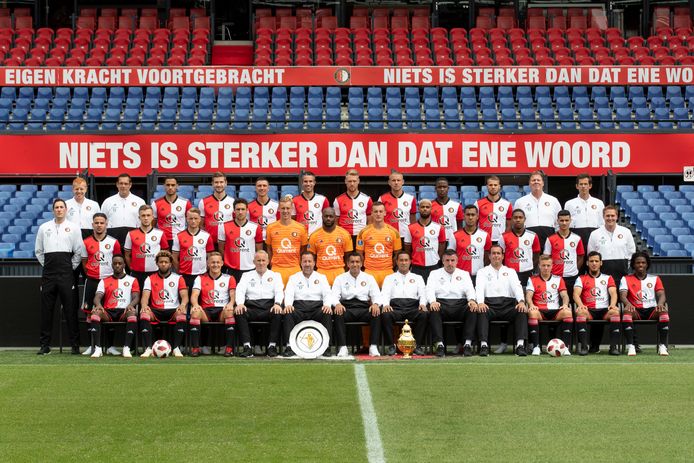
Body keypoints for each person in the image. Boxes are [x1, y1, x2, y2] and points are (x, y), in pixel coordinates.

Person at [35, 198, 83, 355]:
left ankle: (75, 345)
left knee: (70, 310)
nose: (59, 209)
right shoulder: (44, 228)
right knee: (46, 311)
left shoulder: (74, 228)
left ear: (66, 209)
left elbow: (78, 251)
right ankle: (45, 346)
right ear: (53, 210)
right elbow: (39, 251)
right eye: (56, 207)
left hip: (66, 274)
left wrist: (70, 267)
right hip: (48, 275)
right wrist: (48, 266)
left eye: (62, 207)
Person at [586, 205, 635, 353]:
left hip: (621, 277)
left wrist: (624, 268)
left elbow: (631, 252)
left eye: (613, 215)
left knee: (626, 310)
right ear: (603, 217)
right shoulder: (595, 234)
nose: (610, 218)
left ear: (617, 216)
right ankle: (594, 345)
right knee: (599, 309)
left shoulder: (625, 232)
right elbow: (591, 254)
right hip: (601, 279)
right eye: (607, 215)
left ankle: (632, 344)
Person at [473, 244, 529, 357]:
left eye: (498, 253)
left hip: (508, 306)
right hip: (490, 306)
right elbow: (479, 288)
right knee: (482, 311)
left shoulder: (511, 271)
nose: (496, 256)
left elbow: (517, 287)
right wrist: (480, 302)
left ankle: (520, 346)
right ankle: (484, 346)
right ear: (489, 256)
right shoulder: (482, 271)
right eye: (493, 253)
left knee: (521, 310)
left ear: (503, 256)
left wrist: (521, 301)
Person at [79, 212, 122, 356]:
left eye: (102, 223)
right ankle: (91, 346)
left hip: (109, 282)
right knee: (89, 314)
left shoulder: (114, 242)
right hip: (92, 281)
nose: (99, 225)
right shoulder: (85, 242)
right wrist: (92, 274)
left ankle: (110, 346)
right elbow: (84, 263)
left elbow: (118, 261)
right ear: (92, 225)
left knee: (110, 312)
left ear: (106, 224)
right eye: (96, 223)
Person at [426, 250, 478, 357]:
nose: (450, 263)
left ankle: (467, 345)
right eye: (447, 260)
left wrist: (472, 300)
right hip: (441, 304)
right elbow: (429, 290)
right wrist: (432, 301)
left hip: (460, 304)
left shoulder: (464, 274)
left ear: (457, 261)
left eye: (452, 260)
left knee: (472, 309)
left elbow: (470, 289)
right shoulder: (434, 273)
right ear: (443, 261)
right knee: (434, 309)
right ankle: (440, 345)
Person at [283, 252, 335, 357]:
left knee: (327, 312)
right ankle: (290, 346)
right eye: (305, 261)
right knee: (288, 312)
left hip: (317, 308)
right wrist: (288, 304)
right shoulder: (293, 278)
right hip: (299, 308)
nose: (307, 264)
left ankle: (326, 347)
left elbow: (327, 293)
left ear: (314, 263)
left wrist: (327, 305)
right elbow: (288, 293)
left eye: (309, 261)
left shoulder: (321, 277)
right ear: (301, 263)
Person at [619, 251, 670, 356]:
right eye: (638, 263)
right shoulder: (626, 279)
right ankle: (631, 346)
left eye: (643, 262)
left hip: (651, 310)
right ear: (633, 265)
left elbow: (662, 295)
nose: (640, 265)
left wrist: (660, 304)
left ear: (647, 264)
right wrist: (628, 304)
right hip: (635, 310)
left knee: (663, 311)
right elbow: (623, 296)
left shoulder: (655, 278)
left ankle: (662, 346)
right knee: (627, 311)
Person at [234, 250, 285, 358]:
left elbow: (279, 291)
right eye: (258, 260)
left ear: (268, 261)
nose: (261, 263)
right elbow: (240, 290)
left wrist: (277, 303)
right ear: (254, 262)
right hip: (251, 307)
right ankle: (247, 347)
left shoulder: (276, 275)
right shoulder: (246, 275)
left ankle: (272, 347)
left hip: (269, 307)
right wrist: (240, 303)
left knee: (277, 312)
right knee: (239, 311)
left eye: (263, 260)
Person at [139, 250, 189, 358]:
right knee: (144, 314)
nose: (163, 264)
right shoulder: (149, 278)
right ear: (157, 263)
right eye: (161, 262)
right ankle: (149, 348)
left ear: (170, 264)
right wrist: (144, 306)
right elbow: (145, 296)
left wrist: (182, 305)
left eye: (166, 262)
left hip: (173, 310)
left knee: (181, 315)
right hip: (155, 310)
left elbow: (185, 296)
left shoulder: (178, 278)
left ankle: (176, 348)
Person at [332, 252, 382, 357]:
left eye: (357, 262)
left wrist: (376, 304)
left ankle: (373, 346)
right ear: (347, 264)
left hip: (364, 308)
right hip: (347, 308)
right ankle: (343, 347)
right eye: (352, 262)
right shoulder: (340, 278)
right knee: (337, 312)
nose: (355, 264)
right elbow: (333, 296)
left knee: (376, 312)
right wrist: (337, 304)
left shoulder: (369, 278)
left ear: (361, 263)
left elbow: (377, 295)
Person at [378, 251, 428, 356]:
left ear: (410, 262)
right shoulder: (389, 278)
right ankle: (391, 346)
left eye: (406, 260)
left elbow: (423, 293)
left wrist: (422, 304)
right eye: (401, 260)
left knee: (424, 314)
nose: (403, 263)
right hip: (395, 307)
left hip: (413, 307)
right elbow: (385, 293)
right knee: (385, 314)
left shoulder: (418, 277)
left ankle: (417, 346)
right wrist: (386, 305)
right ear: (396, 262)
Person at [89, 255, 140, 358]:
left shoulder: (132, 280)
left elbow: (136, 297)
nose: (117, 265)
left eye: (120, 263)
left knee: (132, 313)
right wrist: (98, 305)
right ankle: (98, 349)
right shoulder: (104, 281)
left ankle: (126, 348)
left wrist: (131, 305)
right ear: (112, 265)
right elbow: (97, 297)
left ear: (124, 265)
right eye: (115, 263)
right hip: (109, 312)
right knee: (95, 314)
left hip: (124, 311)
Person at [573, 251, 621, 356]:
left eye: (596, 261)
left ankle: (613, 347)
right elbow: (576, 294)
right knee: (580, 313)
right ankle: (584, 347)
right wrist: (581, 305)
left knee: (615, 312)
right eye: (591, 261)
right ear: (587, 263)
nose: (594, 263)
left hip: (604, 310)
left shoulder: (608, 278)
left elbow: (613, 293)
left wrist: (613, 304)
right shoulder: (581, 278)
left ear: (601, 263)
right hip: (588, 310)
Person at [190, 252, 236, 357]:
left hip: (222, 310)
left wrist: (231, 303)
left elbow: (233, 295)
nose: (215, 265)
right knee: (195, 312)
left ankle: (229, 348)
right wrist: (195, 304)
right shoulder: (200, 278)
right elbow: (194, 295)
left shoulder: (229, 278)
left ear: (222, 263)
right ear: (208, 263)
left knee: (229, 311)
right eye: (213, 262)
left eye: (218, 262)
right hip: (206, 311)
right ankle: (196, 348)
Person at [526, 255, 572, 356]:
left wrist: (565, 304)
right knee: (532, 312)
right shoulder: (532, 279)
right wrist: (531, 304)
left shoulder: (558, 279)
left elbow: (565, 295)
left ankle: (565, 347)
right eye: (543, 265)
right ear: (539, 266)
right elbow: (529, 295)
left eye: (548, 265)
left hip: (555, 311)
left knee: (567, 312)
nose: (546, 268)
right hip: (540, 311)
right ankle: (536, 347)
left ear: (552, 266)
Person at [265, 196, 309, 286]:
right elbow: (269, 248)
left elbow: (303, 249)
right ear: (279, 209)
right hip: (276, 269)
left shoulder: (301, 228)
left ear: (292, 209)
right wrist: (271, 264)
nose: (285, 211)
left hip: (295, 268)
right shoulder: (270, 227)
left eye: (288, 208)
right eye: (283, 208)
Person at [356, 201, 401, 287]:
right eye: (375, 211)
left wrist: (388, 265)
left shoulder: (394, 232)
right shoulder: (363, 232)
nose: (378, 214)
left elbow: (397, 254)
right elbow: (359, 254)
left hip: (388, 272)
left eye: (380, 211)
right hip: (369, 272)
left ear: (385, 213)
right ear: (371, 213)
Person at [218, 198, 263, 284]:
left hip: (250, 268)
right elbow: (221, 248)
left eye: (243, 209)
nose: (240, 212)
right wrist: (229, 261)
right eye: (238, 209)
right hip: (231, 269)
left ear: (247, 210)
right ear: (234, 211)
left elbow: (259, 250)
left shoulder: (255, 227)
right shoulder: (224, 226)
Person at [124, 205, 168, 292]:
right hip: (137, 273)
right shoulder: (131, 234)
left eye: (148, 215)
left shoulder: (160, 234)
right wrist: (132, 268)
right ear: (139, 217)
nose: (146, 218)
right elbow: (127, 255)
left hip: (155, 273)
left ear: (152, 217)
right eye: (143, 215)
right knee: (137, 297)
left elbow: (165, 254)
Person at [513, 170, 561, 250]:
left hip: (549, 239)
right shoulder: (520, 202)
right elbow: (515, 223)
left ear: (543, 183)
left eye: (538, 180)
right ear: (529, 183)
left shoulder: (553, 200)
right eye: (533, 180)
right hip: (527, 241)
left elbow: (559, 222)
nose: (536, 182)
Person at [307, 207, 353, 286]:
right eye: (326, 216)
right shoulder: (314, 236)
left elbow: (348, 257)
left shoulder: (344, 234)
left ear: (335, 217)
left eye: (331, 216)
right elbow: (311, 258)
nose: (328, 218)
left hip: (339, 272)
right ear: (322, 217)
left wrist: (344, 273)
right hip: (321, 272)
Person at [172, 207, 215, 291]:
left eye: (196, 218)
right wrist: (179, 270)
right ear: (186, 219)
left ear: (200, 219)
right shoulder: (179, 236)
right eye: (190, 218)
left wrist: (206, 269)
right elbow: (174, 256)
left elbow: (210, 256)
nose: (193, 221)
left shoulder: (206, 236)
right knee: (185, 297)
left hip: (201, 274)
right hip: (184, 274)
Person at [404, 199, 447, 282]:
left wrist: (437, 259)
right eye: (422, 207)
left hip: (434, 266)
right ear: (418, 209)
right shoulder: (410, 228)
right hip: (416, 267)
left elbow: (442, 245)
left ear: (431, 209)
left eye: (427, 207)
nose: (425, 209)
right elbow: (407, 248)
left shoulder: (439, 227)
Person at [100, 173, 146, 248]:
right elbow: (102, 220)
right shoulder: (108, 201)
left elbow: (143, 220)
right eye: (121, 183)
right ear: (117, 184)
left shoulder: (140, 201)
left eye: (126, 184)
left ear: (130, 185)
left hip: (134, 235)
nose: (123, 186)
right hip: (113, 235)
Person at [544, 209, 585, 290]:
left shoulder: (577, 238)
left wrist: (575, 269)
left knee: (572, 297)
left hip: (572, 277)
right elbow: (546, 258)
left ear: (570, 221)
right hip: (555, 276)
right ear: (557, 221)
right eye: (562, 220)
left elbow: (580, 257)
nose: (564, 223)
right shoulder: (550, 239)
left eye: (566, 220)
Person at [499, 209, 541, 287]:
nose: (518, 220)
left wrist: (531, 268)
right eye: (515, 217)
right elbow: (500, 256)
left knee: (526, 293)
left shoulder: (533, 236)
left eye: (520, 217)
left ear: (524, 219)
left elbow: (536, 254)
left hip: (527, 273)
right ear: (511, 219)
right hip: (510, 273)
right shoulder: (503, 237)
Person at [564, 173, 605, 249]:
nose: (583, 186)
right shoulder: (569, 204)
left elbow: (602, 223)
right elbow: (566, 223)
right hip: (576, 236)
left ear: (590, 186)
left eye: (585, 184)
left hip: (594, 235)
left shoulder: (599, 203)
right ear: (577, 186)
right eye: (581, 184)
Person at [451, 205, 491, 279]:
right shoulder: (455, 235)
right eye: (468, 215)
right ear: (464, 216)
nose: (470, 217)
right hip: (460, 276)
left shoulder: (485, 235)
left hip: (479, 276)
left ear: (477, 217)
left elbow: (487, 257)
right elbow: (451, 256)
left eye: (473, 215)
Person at [334, 169, 373, 245]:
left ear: (358, 181)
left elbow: (370, 221)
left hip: (361, 236)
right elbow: (336, 221)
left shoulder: (367, 199)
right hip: (344, 236)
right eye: (349, 181)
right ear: (345, 181)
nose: (352, 184)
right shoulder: (338, 200)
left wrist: (366, 234)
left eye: (354, 181)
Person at [152, 176, 192, 249]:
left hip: (180, 239)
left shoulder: (185, 203)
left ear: (177, 186)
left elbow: (191, 222)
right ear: (164, 186)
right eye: (168, 185)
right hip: (163, 239)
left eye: (173, 185)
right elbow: (153, 225)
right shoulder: (156, 203)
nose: (170, 187)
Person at [378, 170, 416, 244]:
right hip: (388, 235)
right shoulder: (382, 198)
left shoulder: (411, 199)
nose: (396, 183)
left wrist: (413, 234)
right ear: (389, 182)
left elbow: (413, 219)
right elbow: (378, 218)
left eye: (398, 180)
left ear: (403, 182)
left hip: (406, 236)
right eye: (393, 180)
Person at [198, 172, 235, 246]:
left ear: (226, 183)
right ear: (212, 184)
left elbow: (236, 224)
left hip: (228, 242)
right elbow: (201, 225)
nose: (219, 185)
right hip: (209, 242)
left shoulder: (232, 202)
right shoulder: (203, 202)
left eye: (221, 182)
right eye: (216, 182)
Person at [476, 175, 512, 244]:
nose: (493, 187)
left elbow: (509, 225)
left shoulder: (507, 204)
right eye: (490, 185)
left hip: (500, 240)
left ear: (499, 187)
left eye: (495, 185)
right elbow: (475, 223)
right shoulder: (478, 203)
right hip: (482, 240)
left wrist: (505, 238)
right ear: (487, 187)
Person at [292, 171, 330, 235]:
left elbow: (327, 219)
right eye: (305, 181)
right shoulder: (294, 200)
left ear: (314, 183)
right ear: (302, 183)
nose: (308, 184)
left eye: (310, 181)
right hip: (301, 236)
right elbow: (292, 220)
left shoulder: (323, 199)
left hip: (317, 236)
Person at [431, 177, 463, 248]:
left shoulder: (457, 205)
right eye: (439, 187)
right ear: (435, 189)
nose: (442, 189)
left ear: (448, 188)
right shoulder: (430, 205)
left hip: (452, 241)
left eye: (444, 187)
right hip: (435, 240)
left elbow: (460, 226)